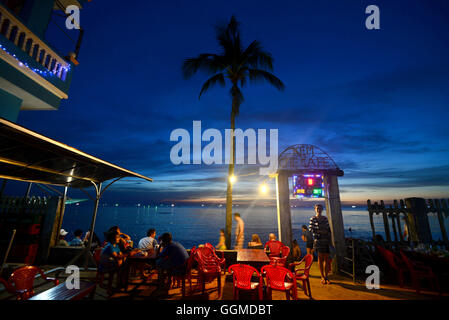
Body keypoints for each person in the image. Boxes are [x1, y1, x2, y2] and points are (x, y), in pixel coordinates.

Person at [309, 204, 331, 285]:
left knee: (327, 259)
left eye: (320, 208)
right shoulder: (313, 219)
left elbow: (328, 229)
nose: (319, 210)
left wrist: (319, 231)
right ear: (315, 209)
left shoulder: (325, 218)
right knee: (320, 258)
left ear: (322, 209)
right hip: (318, 241)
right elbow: (311, 229)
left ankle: (326, 276)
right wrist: (322, 231)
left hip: (326, 240)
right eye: (317, 208)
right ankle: (322, 276)